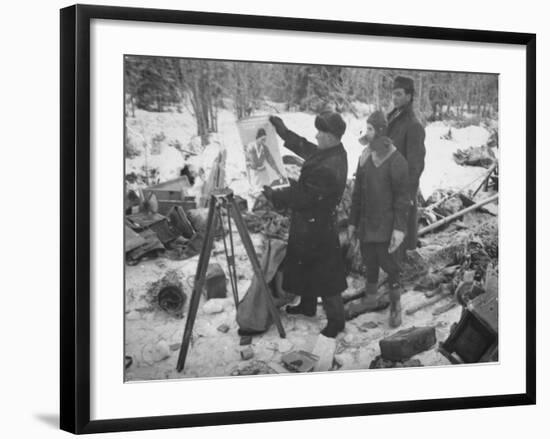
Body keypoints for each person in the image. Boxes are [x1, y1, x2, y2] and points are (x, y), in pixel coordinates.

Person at [263, 111, 348, 338]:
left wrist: (275, 192)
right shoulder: (330, 152)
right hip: (309, 221)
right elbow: (305, 147)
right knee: (306, 264)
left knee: (327, 274)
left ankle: (337, 321)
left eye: (321, 132)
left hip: (319, 225)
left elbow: (302, 196)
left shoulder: (330, 166)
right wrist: (283, 132)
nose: (317, 136)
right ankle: (308, 306)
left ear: (331, 136)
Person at [348, 111, 410, 327]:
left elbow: (403, 199)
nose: (368, 133)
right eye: (367, 128)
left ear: (381, 131)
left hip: (387, 225)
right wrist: (352, 222)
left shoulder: (396, 160)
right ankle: (371, 298)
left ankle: (395, 304)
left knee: (391, 267)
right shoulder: (364, 157)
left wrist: (399, 229)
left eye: (371, 129)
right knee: (370, 261)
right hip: (367, 223)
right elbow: (357, 194)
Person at [386, 76, 426, 251]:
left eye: (399, 94)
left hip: (401, 192)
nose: (394, 98)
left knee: (399, 242)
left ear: (409, 96)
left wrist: (407, 198)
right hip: (387, 187)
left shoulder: (413, 125)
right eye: (393, 94)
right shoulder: (394, 116)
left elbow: (415, 167)